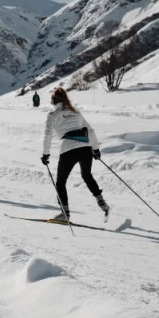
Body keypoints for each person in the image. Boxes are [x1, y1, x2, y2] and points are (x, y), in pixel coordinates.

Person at [41, 87, 110, 222]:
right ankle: (102, 202)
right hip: (85, 148)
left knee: (60, 183)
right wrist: (95, 149)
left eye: (51, 99)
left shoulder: (52, 115)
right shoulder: (76, 112)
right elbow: (90, 130)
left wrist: (45, 154)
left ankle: (64, 214)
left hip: (68, 149)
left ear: (54, 101)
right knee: (87, 175)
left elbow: (48, 134)